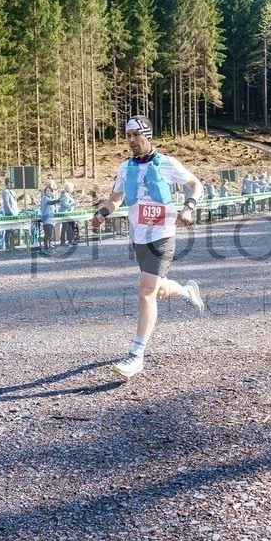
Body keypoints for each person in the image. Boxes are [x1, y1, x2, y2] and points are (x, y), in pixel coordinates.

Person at [91, 115, 205, 379]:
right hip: (139, 237)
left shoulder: (167, 164)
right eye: (127, 135)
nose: (131, 140)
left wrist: (189, 207)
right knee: (157, 288)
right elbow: (116, 198)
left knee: (145, 293)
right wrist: (101, 214)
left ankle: (136, 355)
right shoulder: (124, 167)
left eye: (135, 135)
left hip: (162, 235)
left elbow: (196, 185)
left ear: (147, 135)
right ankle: (186, 291)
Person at [39, 179, 61, 254]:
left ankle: (48, 247)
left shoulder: (49, 197)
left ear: (52, 192)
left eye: (50, 191)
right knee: (47, 234)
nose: (48, 192)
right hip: (47, 218)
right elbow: (50, 203)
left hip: (50, 218)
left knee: (49, 233)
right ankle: (46, 248)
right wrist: (58, 200)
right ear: (45, 192)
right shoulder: (45, 198)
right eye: (47, 191)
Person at [1, 177, 20, 251]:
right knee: (8, 230)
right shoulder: (6, 192)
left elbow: (14, 202)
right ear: (8, 183)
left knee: (13, 230)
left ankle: (13, 245)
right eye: (12, 182)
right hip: (9, 213)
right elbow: (7, 204)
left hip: (14, 213)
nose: (13, 184)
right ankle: (8, 246)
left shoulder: (12, 191)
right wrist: (11, 212)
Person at [59, 182, 78, 246]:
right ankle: (63, 241)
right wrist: (73, 204)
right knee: (65, 227)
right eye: (72, 188)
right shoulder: (65, 195)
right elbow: (64, 204)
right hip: (65, 213)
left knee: (70, 227)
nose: (73, 189)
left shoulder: (69, 195)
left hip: (69, 213)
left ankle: (71, 240)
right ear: (69, 189)